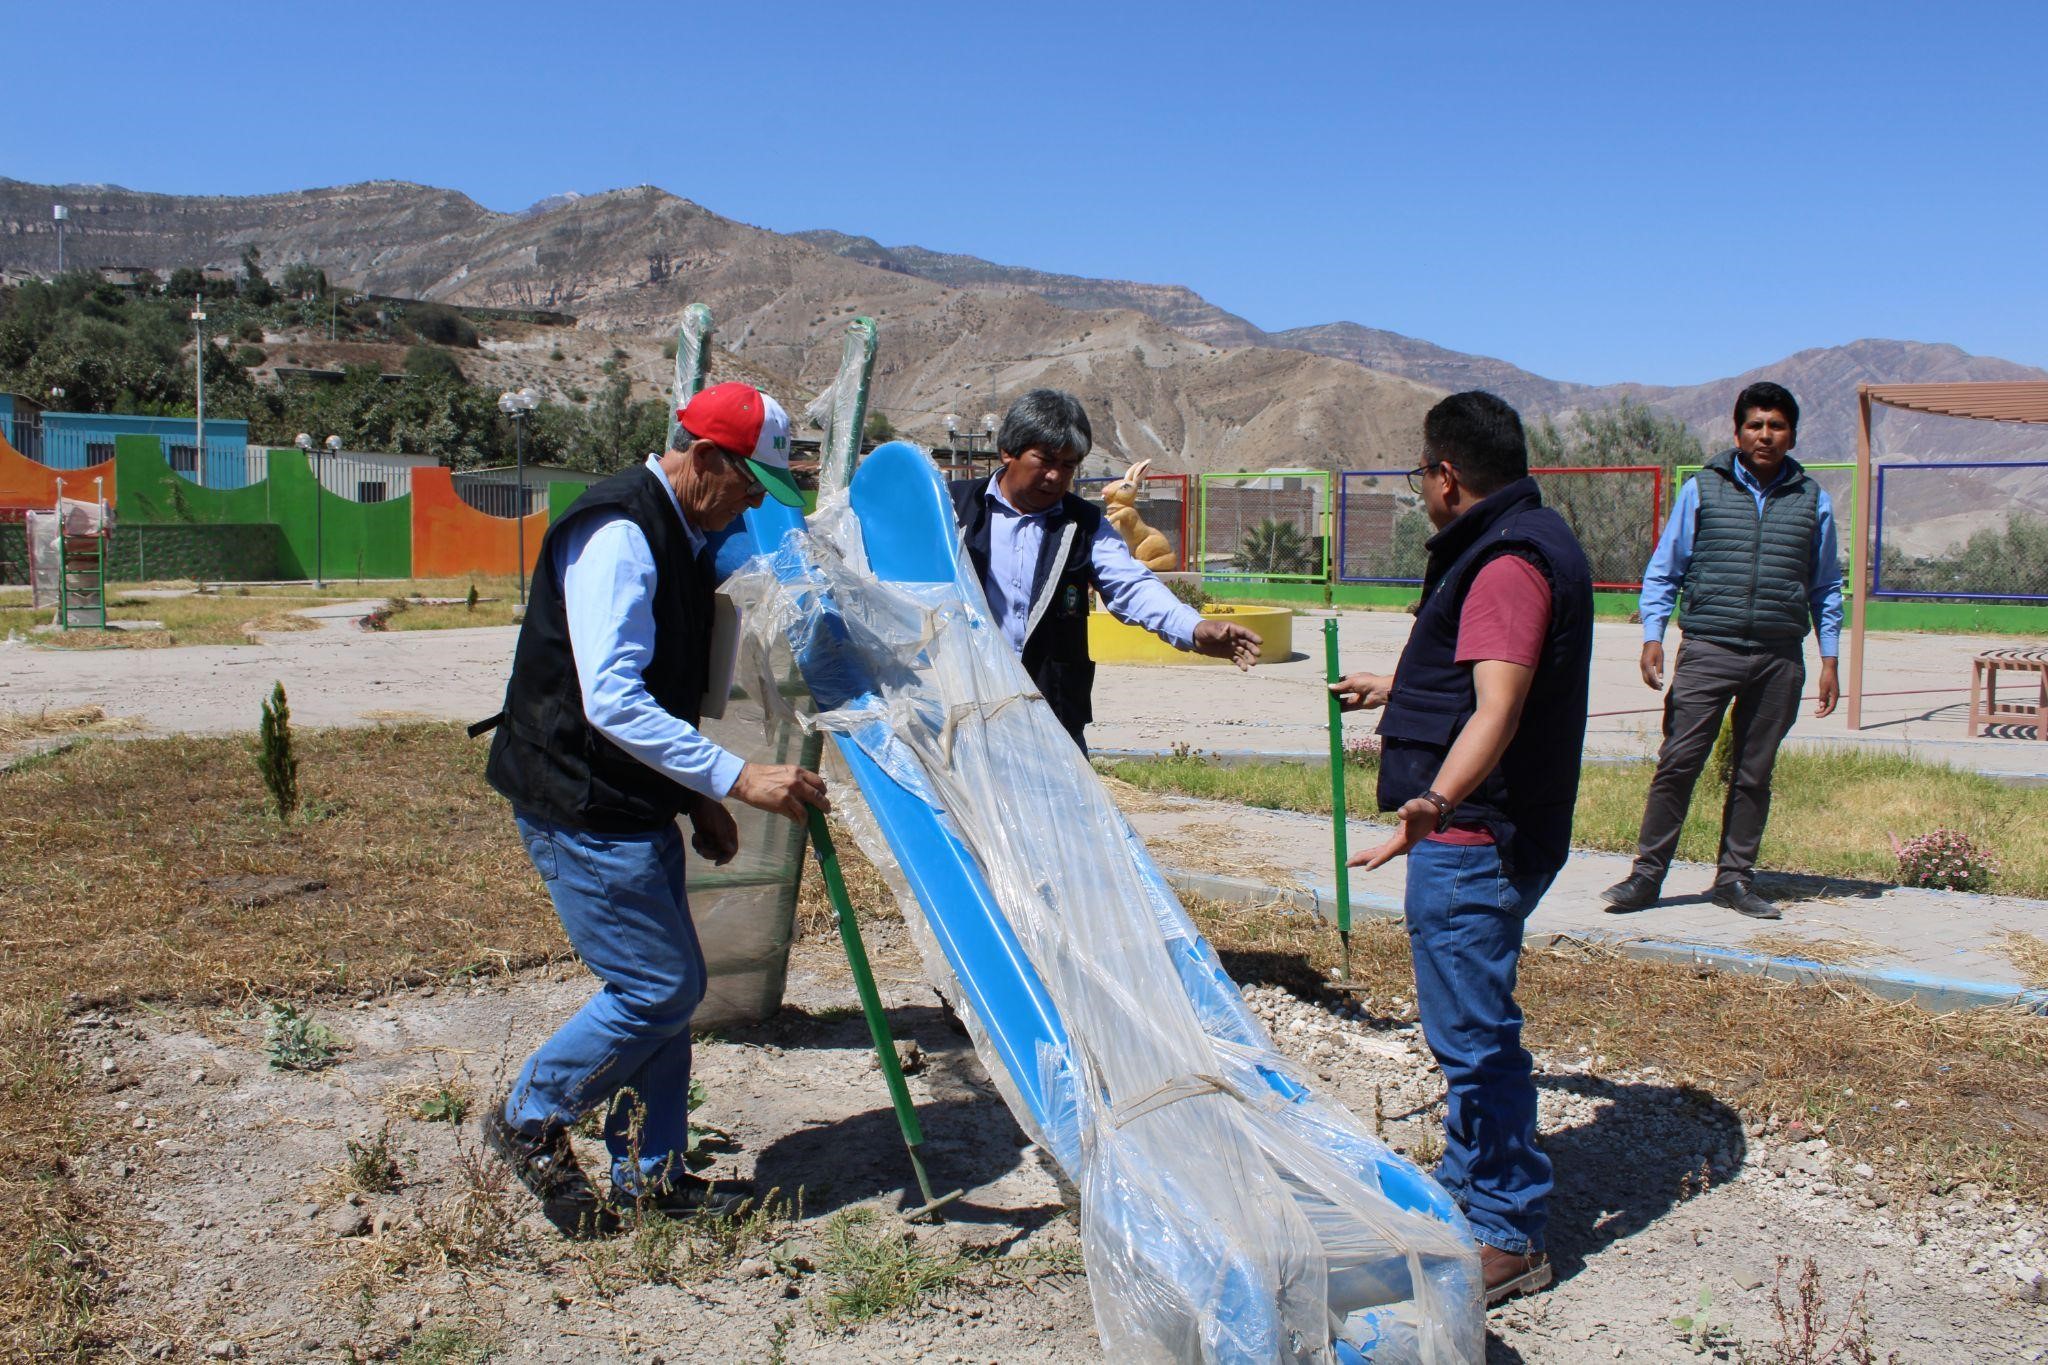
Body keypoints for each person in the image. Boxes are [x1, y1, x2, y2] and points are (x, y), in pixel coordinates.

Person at [473, 381, 830, 1237]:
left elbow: (664, 690)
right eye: (747, 485)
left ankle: (650, 1176)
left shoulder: (678, 527)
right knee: (658, 986)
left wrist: (692, 799)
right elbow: (613, 702)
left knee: (669, 985)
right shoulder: (621, 536)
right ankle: (529, 1113)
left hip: (629, 800)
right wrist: (737, 779)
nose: (750, 505)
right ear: (705, 458)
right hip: (580, 801)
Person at [1330, 390, 1593, 1305]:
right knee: (1465, 1028)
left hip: (1474, 838)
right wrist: (1392, 686)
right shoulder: (1517, 538)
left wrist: (1432, 805)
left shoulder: (1508, 563)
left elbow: (1499, 705)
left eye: (1422, 475)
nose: (1424, 490)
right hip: (1476, 830)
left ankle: (1506, 1228)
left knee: (1474, 1040)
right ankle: (1477, 1187)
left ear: (1446, 476)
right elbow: (1468, 669)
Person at [1601, 381, 1842, 921]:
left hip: (1780, 656)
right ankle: (1646, 877)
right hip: (1710, 648)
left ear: (1792, 435)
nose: (1765, 435)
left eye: (1776, 426)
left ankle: (1734, 879)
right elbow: (1666, 568)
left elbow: (1826, 585)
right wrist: (1652, 635)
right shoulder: (1703, 490)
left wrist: (1829, 659)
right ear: (1737, 432)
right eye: (1755, 425)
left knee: (1754, 772)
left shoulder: (1812, 501)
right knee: (1679, 763)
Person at [950, 389, 1261, 749]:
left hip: (1051, 718)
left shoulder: (1085, 524)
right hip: (961, 710)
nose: (1055, 476)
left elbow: (1133, 586)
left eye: (1068, 465)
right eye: (1045, 459)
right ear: (1008, 451)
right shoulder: (950, 506)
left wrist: (1194, 628)